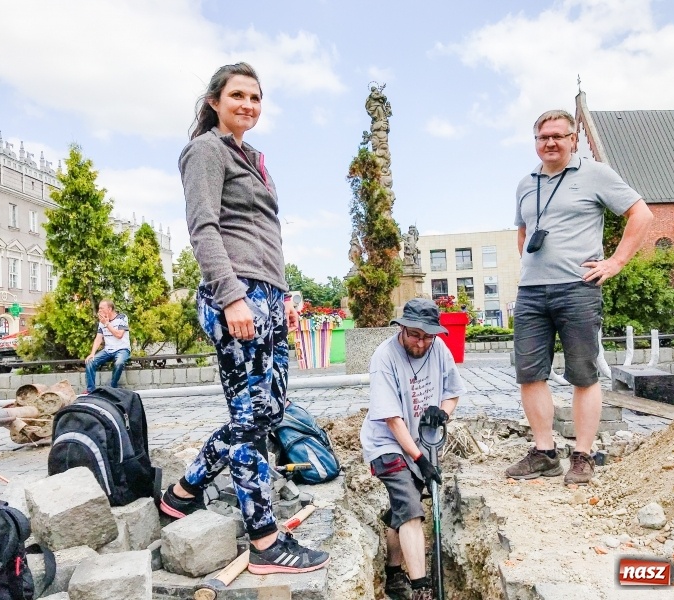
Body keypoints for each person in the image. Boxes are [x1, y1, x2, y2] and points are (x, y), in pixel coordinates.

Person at [159, 62, 329, 575]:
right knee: (251, 422)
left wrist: (284, 295)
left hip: (268, 297)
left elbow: (264, 234)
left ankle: (183, 492)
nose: (248, 105)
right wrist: (231, 296)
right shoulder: (206, 150)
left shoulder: (251, 157)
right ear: (214, 101)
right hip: (237, 295)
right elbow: (204, 228)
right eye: (238, 95)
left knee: (268, 413)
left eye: (255, 98)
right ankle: (264, 543)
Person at [508, 109, 653, 485]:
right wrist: (531, 267)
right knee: (529, 373)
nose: (550, 143)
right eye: (543, 137)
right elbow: (523, 232)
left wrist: (616, 262)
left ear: (573, 140)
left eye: (558, 136)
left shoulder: (596, 174)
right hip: (531, 292)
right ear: (535, 142)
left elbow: (641, 215)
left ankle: (583, 455)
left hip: (577, 288)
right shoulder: (526, 183)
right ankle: (544, 454)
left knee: (583, 374)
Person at [360, 298, 466, 600]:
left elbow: (453, 393)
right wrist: (420, 460)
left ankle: (394, 573)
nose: (421, 343)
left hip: (420, 443)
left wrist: (442, 413)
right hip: (386, 443)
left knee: (404, 507)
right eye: (414, 335)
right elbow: (392, 420)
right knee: (410, 506)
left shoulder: (439, 349)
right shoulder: (384, 357)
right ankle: (421, 589)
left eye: (427, 336)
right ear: (402, 329)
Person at [85, 299, 131, 393]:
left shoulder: (122, 318)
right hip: (108, 350)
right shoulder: (102, 322)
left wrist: (107, 324)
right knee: (90, 362)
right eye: (99, 309)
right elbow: (98, 338)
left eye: (101, 308)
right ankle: (90, 390)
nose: (99, 311)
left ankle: (112, 387)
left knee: (119, 363)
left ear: (109, 309)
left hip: (122, 349)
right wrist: (92, 353)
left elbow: (119, 335)